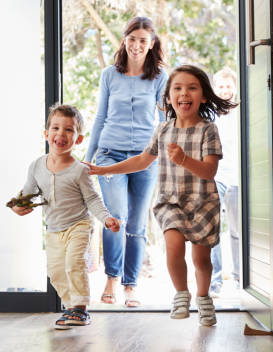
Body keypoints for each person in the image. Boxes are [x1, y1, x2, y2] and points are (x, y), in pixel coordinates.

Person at [86, 65, 238, 326]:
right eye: (177, 88)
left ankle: (203, 298)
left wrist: (184, 159)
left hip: (203, 202)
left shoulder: (208, 130)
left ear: (203, 96)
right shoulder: (163, 130)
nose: (184, 93)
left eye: (192, 87)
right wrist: (103, 168)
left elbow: (210, 170)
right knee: (173, 247)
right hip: (171, 202)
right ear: (167, 97)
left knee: (201, 260)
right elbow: (142, 161)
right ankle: (181, 294)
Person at [11, 103, 120, 329]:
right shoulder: (36, 166)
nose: (61, 134)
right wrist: (17, 206)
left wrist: (106, 218)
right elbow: (28, 192)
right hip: (53, 229)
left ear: (78, 139)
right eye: (56, 128)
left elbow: (92, 199)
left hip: (78, 225)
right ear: (46, 134)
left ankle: (80, 308)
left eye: (69, 130)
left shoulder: (80, 170)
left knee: (74, 264)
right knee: (56, 271)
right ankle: (71, 307)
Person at [85, 16, 168, 307]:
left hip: (146, 158)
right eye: (132, 39)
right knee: (115, 217)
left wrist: (165, 157)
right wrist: (87, 159)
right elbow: (99, 117)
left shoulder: (160, 77)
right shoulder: (110, 74)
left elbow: (164, 121)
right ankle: (111, 278)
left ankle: (130, 285)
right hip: (110, 154)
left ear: (151, 44)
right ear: (124, 40)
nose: (136, 45)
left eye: (142, 41)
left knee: (136, 223)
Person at [209, 67, 241, 297]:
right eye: (220, 86)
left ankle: (241, 278)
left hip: (238, 177)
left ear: (235, 89)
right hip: (216, 177)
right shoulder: (209, 116)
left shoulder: (242, 113)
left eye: (228, 86)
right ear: (214, 89)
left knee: (237, 230)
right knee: (213, 230)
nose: (224, 90)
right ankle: (215, 281)